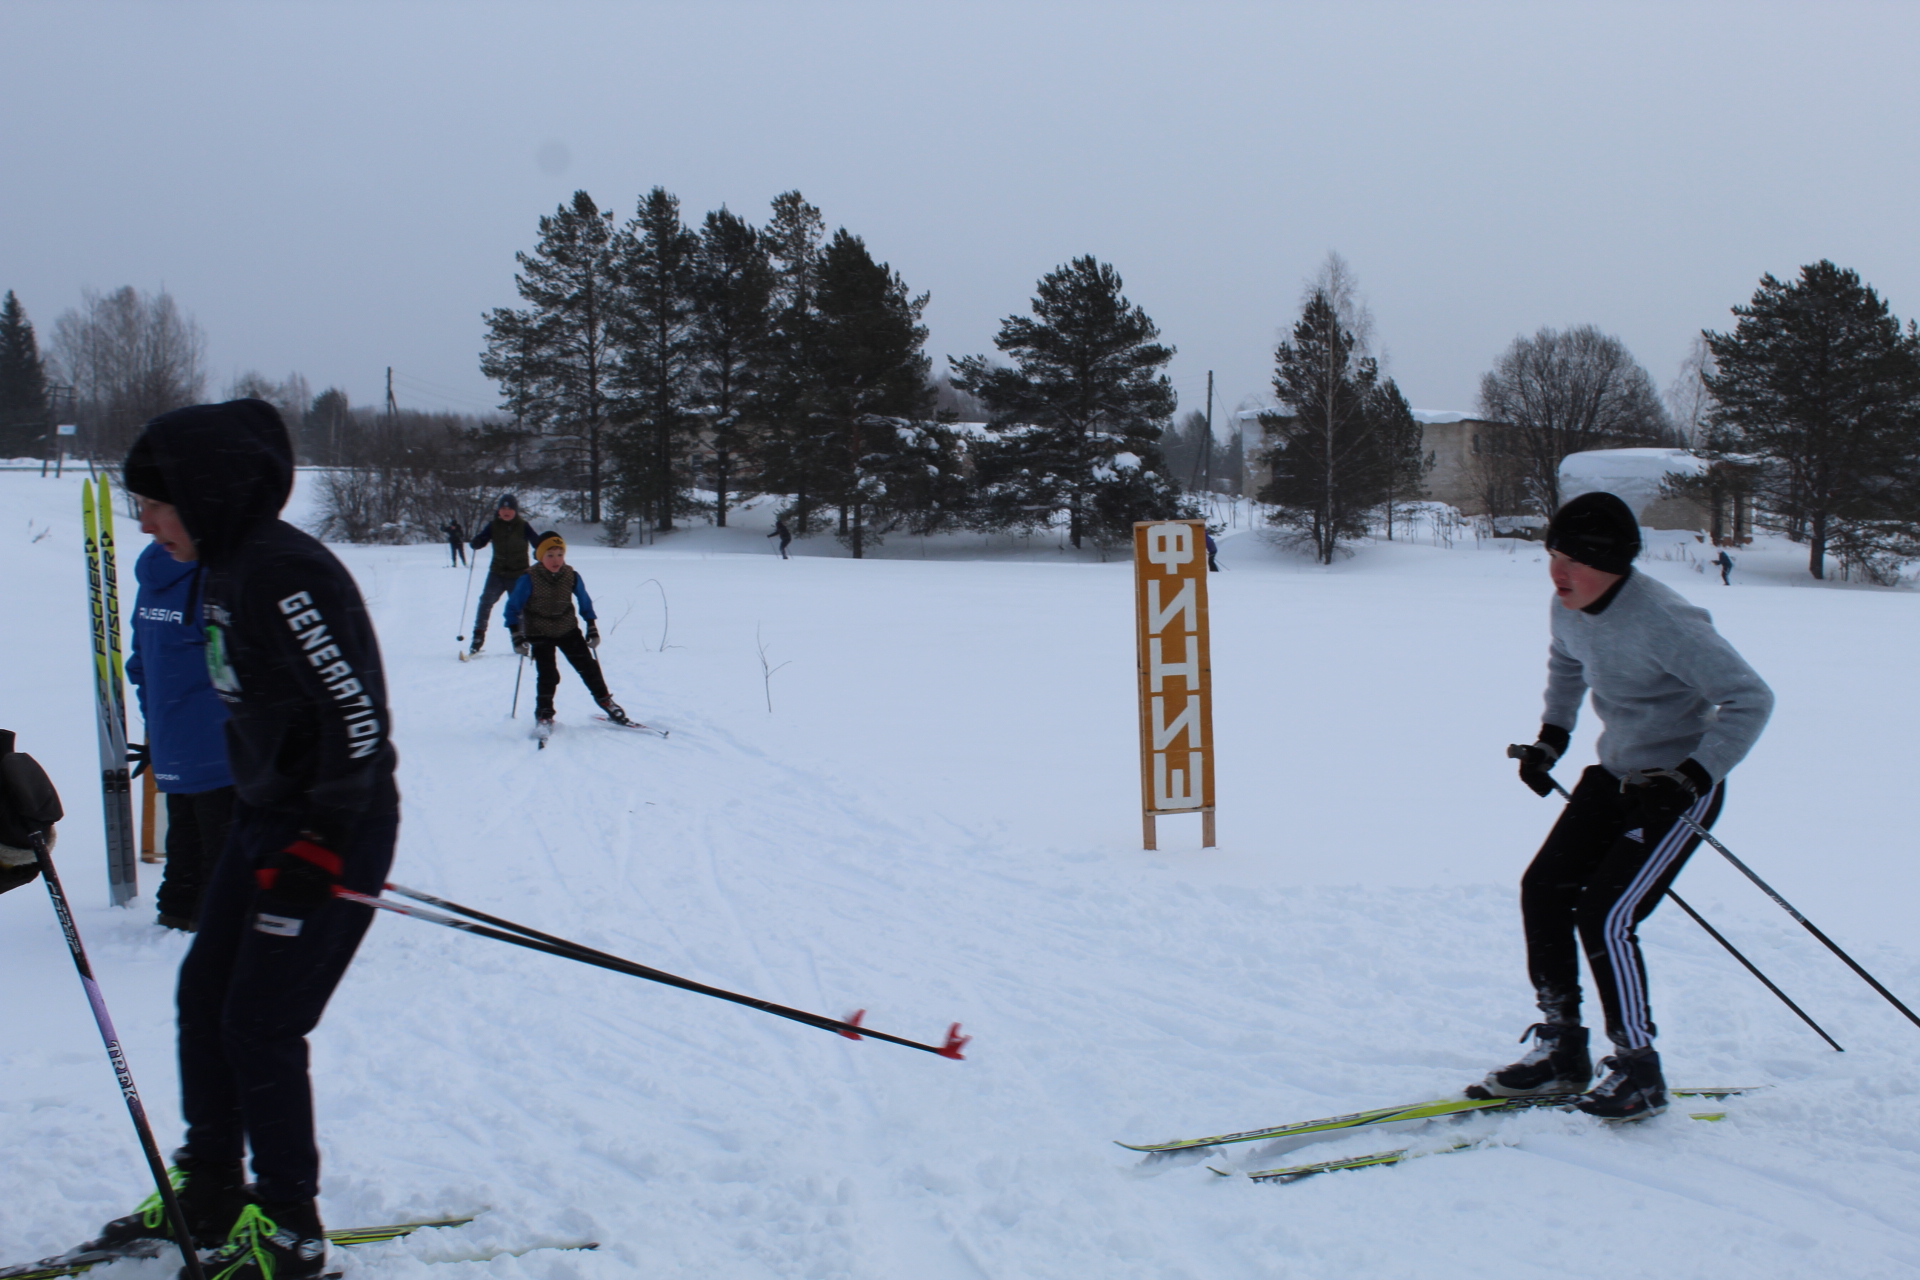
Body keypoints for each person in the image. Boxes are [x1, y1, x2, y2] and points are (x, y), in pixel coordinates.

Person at [85, 398, 400, 1280]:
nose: (145, 521)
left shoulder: (283, 574)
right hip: (267, 823)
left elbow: (357, 715)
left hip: (332, 831)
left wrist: (325, 838)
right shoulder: (219, 569)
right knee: (204, 998)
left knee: (261, 1023)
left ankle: (292, 1230)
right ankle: (215, 1184)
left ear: (208, 493)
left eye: (155, 502)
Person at [1481, 492, 1772, 1121]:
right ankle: (1563, 1049)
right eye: (1552, 555)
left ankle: (1638, 1068)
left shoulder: (1665, 621)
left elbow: (1750, 699)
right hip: (1614, 774)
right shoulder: (1569, 607)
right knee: (1544, 889)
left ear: (1610, 563)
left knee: (1607, 915)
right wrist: (1551, 740)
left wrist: (1693, 774)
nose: (1558, 572)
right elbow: (1566, 663)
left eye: (1573, 559)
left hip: (1676, 789)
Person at [127, 537, 234, 931]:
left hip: (173, 734)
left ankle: (179, 910)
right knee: (223, 841)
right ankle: (213, 922)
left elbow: (140, 663)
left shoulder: (157, 575)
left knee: (187, 830)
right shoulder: (215, 574)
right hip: (219, 739)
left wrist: (159, 723)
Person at [504, 531, 630, 729]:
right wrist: (516, 635)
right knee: (548, 674)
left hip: (567, 628)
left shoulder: (571, 575)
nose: (556, 560)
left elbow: (584, 600)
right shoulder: (529, 578)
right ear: (540, 556)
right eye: (550, 555)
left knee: (589, 667)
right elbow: (513, 607)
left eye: (560, 554)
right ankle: (544, 714)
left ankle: (605, 700)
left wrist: (591, 626)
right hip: (539, 631)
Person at [466, 494, 539, 654]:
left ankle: (522, 639)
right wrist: (477, 542)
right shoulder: (493, 526)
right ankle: (478, 637)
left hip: (519, 575)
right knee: (485, 602)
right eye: (503, 508)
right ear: (498, 510)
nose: (506, 512)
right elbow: (483, 539)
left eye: (510, 509)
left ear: (515, 511)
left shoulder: (523, 526)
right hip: (497, 573)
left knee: (520, 608)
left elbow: (537, 542)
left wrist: (539, 552)